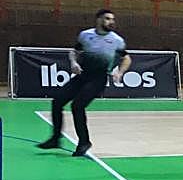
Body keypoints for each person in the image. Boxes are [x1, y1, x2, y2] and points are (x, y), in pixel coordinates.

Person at [36, 9, 131, 157]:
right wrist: (73, 63)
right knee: (57, 101)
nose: (111, 22)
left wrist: (120, 72)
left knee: (77, 106)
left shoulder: (116, 40)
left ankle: (84, 142)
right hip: (82, 75)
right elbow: (74, 52)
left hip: (98, 78)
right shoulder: (85, 35)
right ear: (99, 20)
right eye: (107, 18)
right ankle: (55, 138)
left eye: (112, 19)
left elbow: (127, 58)